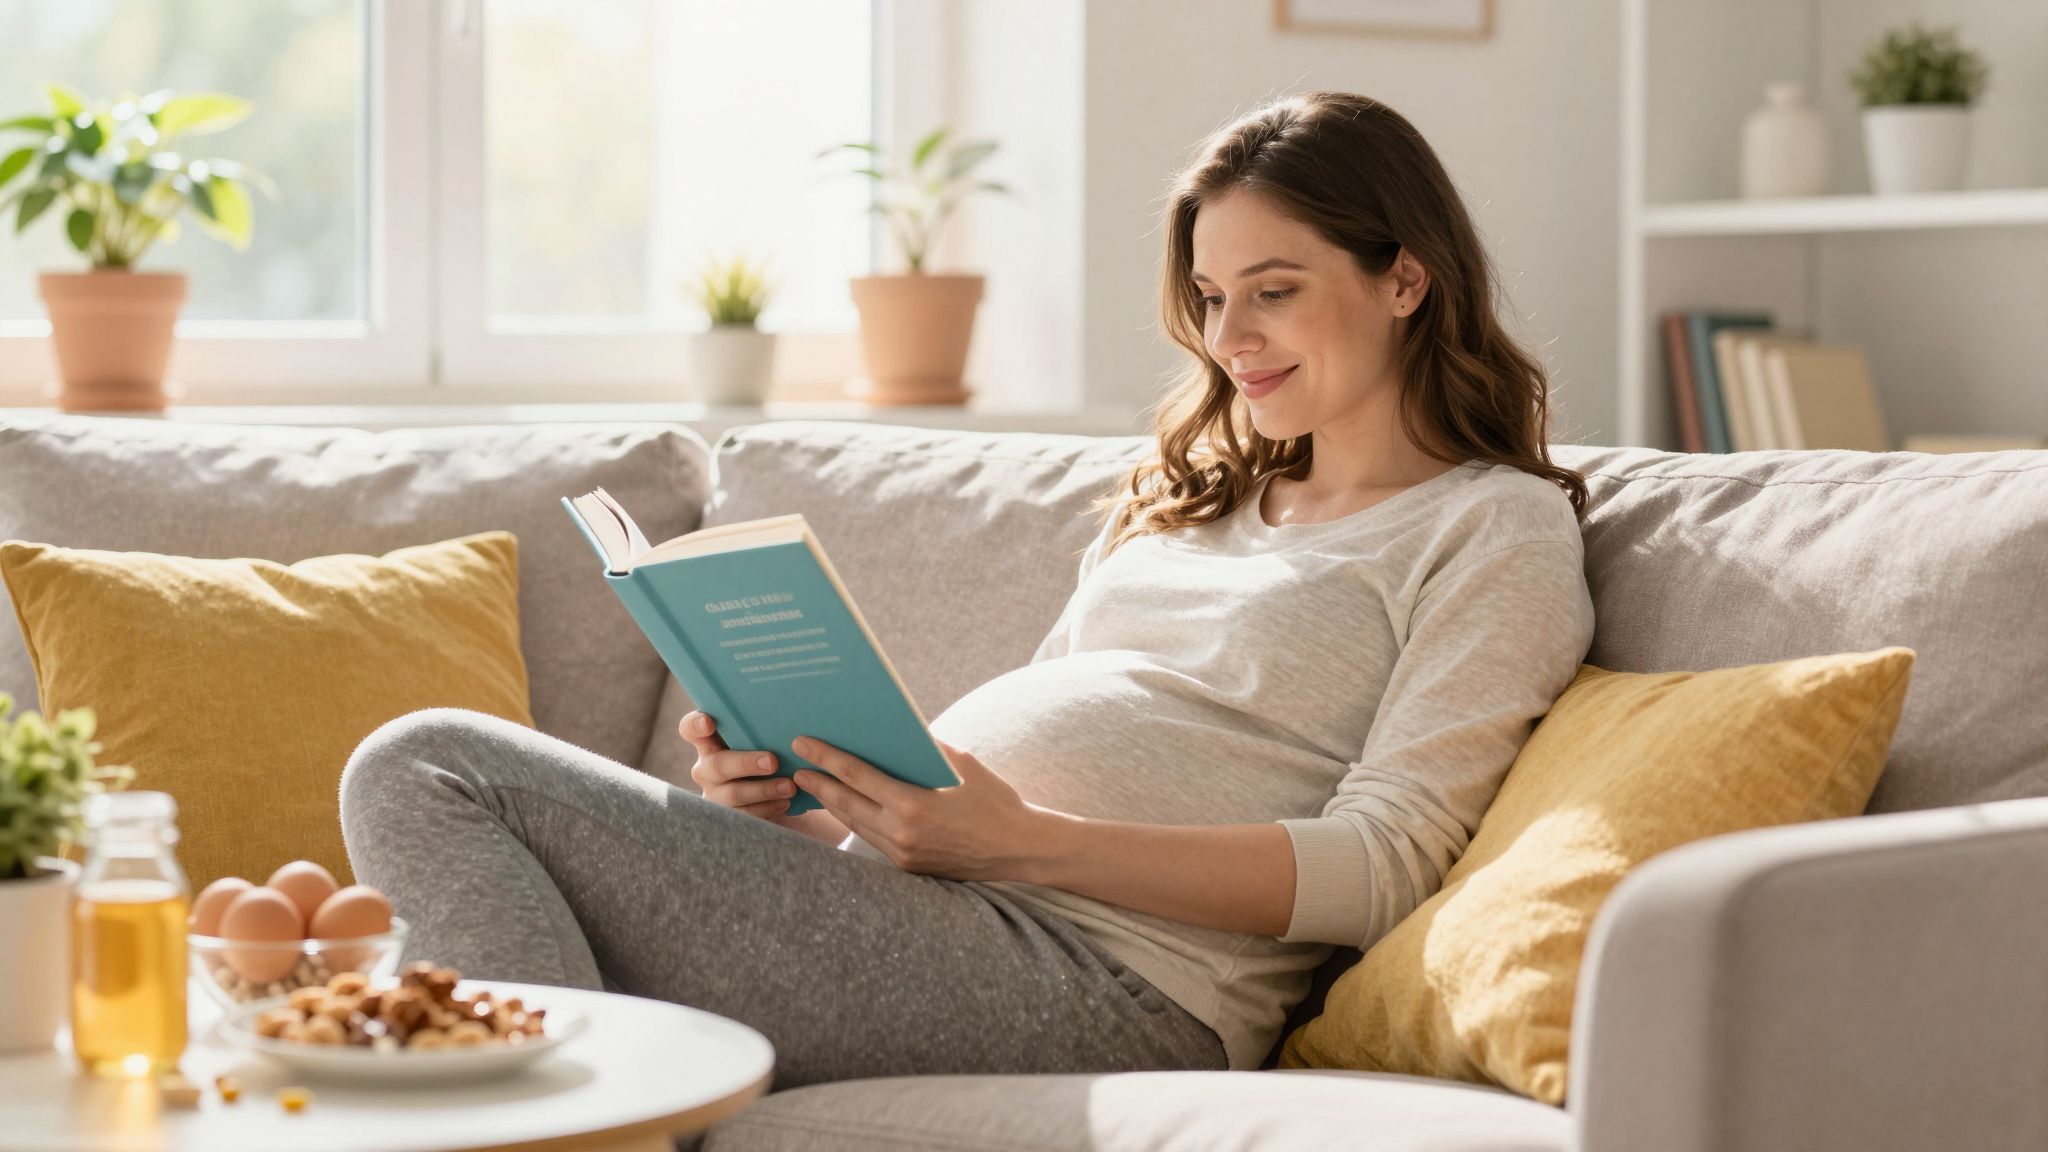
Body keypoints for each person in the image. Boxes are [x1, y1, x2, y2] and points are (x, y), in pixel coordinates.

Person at [337, 89, 1595, 1090]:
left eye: (1274, 293)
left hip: (1118, 985)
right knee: (440, 909)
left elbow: (1383, 867)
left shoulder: (1490, 527)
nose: (1229, 340)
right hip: (947, 913)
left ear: (1403, 280)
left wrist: (1030, 844)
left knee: (429, 767)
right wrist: (808, 810)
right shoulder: (1185, 502)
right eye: (1211, 300)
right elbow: (993, 796)